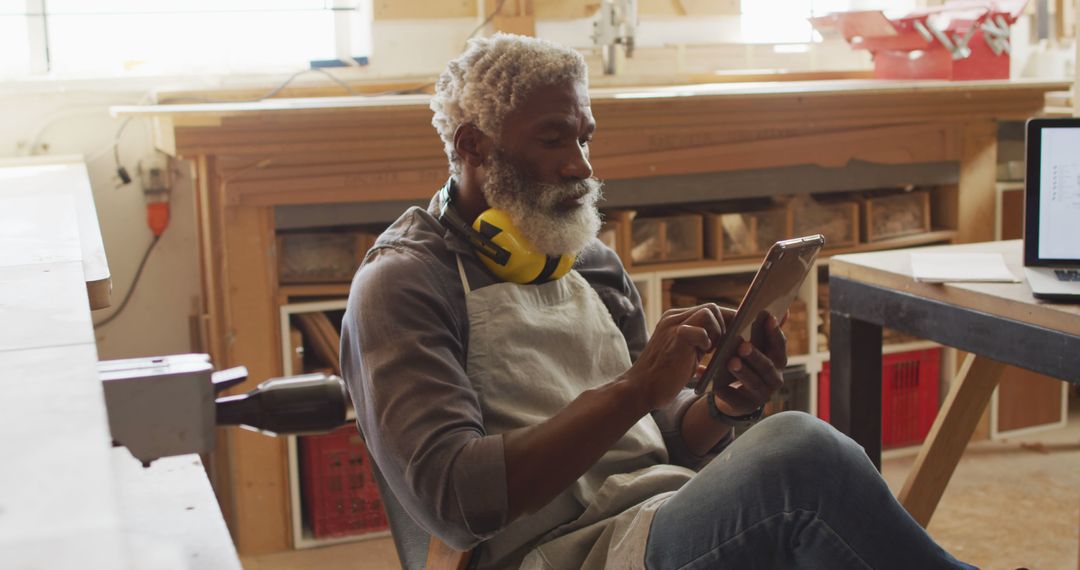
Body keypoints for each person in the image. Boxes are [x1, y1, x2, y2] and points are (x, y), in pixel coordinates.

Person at [341, 33, 974, 570]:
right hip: (557, 554)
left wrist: (722, 406)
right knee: (803, 459)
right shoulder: (405, 284)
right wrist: (636, 389)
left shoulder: (589, 262)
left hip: (656, 515)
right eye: (553, 140)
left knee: (815, 490)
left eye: (585, 138)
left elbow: (662, 436)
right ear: (472, 146)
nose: (580, 167)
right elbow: (455, 500)